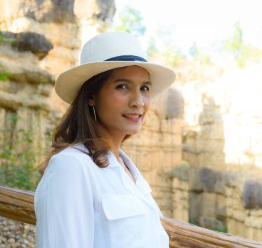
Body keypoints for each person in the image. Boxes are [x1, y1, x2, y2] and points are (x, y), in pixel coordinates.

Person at [34, 32, 176, 248]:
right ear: (91, 95)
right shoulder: (71, 167)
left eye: (144, 88)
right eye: (122, 86)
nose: (138, 101)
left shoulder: (129, 172)